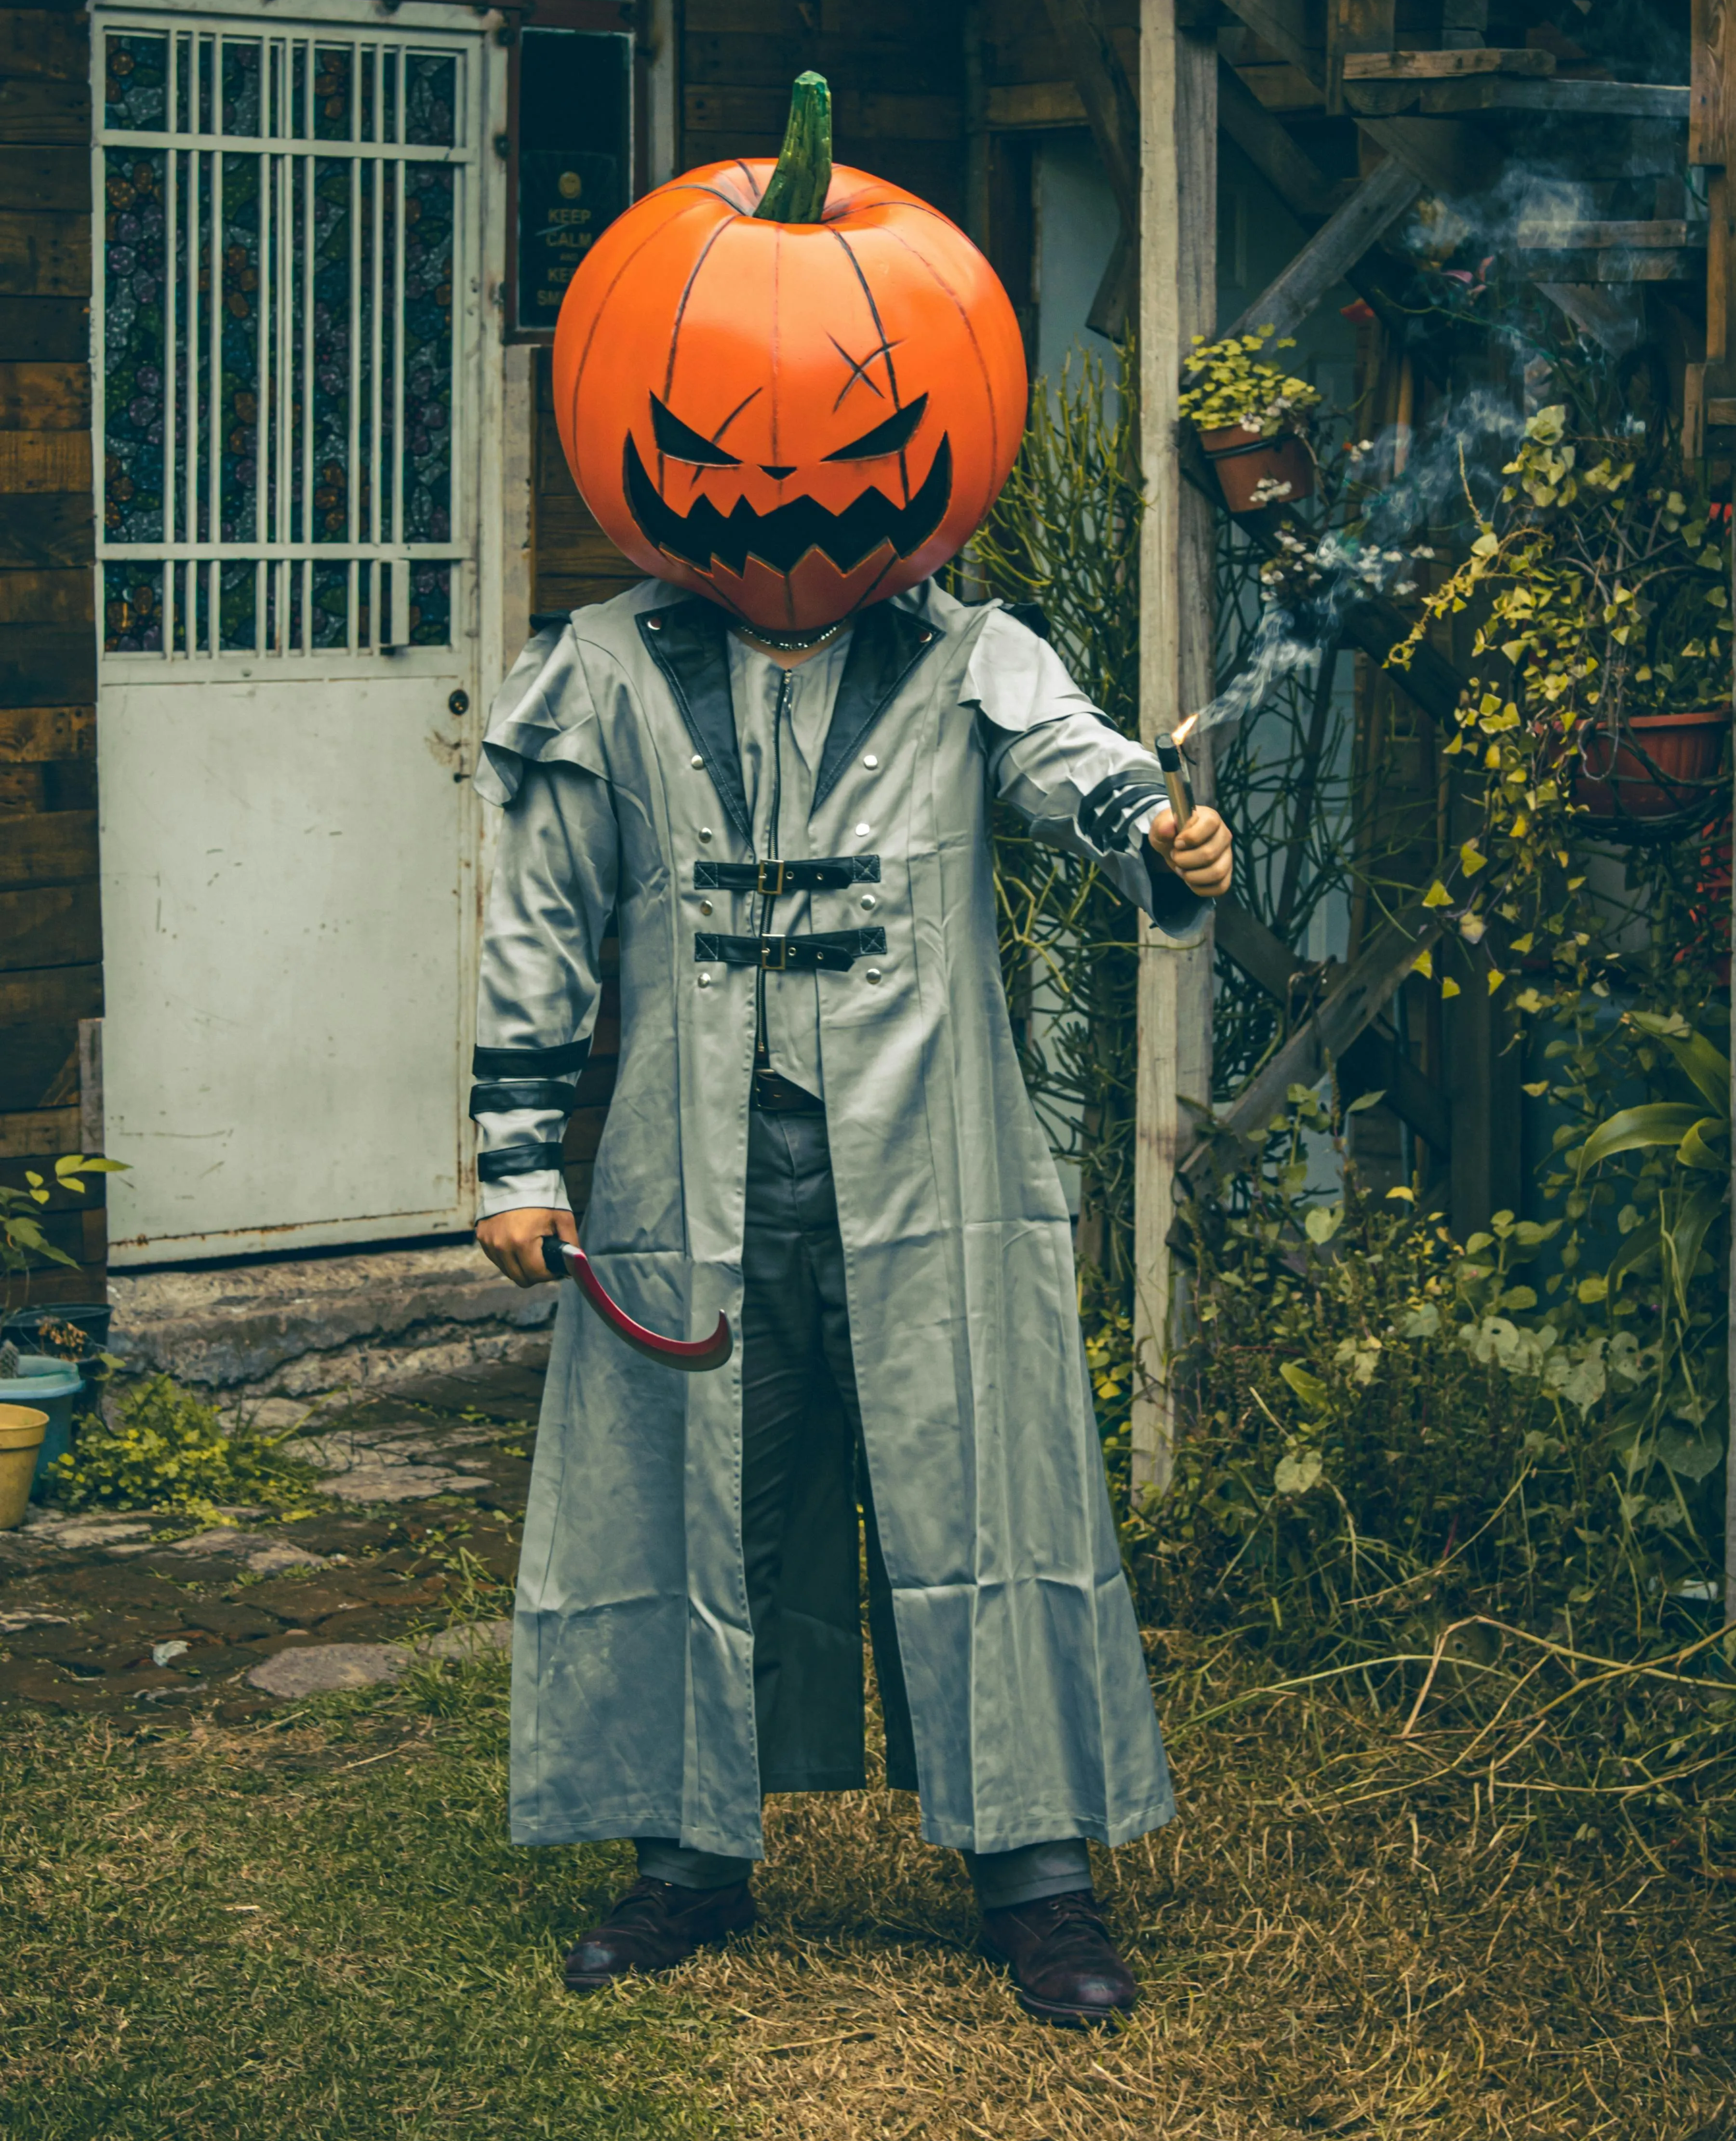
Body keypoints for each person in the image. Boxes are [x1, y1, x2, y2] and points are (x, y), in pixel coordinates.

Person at [473, 575, 1231, 2025]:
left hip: (929, 1159)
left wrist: (1160, 830)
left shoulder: (969, 653)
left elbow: (1079, 761)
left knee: (979, 1492)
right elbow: (541, 919)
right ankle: (688, 1858)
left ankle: (1035, 1875)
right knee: (692, 1493)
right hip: (689, 1167)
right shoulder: (605, 664)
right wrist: (518, 1158)